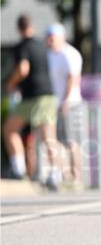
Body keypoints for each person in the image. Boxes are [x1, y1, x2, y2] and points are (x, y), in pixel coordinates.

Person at [3, 15, 59, 190]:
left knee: (10, 129)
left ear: (18, 28)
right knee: (48, 136)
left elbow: (23, 69)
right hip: (46, 95)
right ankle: (53, 174)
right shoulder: (42, 45)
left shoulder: (23, 46)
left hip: (34, 97)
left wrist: (10, 84)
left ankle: (19, 170)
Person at [46, 23, 84, 188]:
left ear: (61, 38)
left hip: (71, 103)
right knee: (57, 141)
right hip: (54, 104)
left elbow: (73, 79)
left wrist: (66, 101)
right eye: (48, 38)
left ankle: (77, 177)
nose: (50, 41)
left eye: (52, 38)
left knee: (72, 141)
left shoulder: (70, 54)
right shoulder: (49, 55)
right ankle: (65, 176)